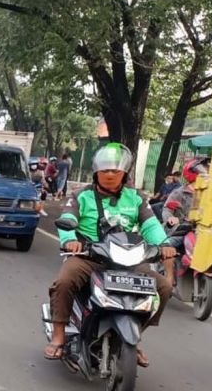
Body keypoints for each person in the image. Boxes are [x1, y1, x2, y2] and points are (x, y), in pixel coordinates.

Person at [44, 143, 176, 367]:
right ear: (96, 172)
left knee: (163, 287)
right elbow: (68, 220)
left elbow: (151, 225)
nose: (109, 175)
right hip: (89, 257)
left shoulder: (136, 198)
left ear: (125, 173)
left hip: (127, 259)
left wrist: (163, 244)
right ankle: (59, 335)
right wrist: (71, 241)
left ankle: (134, 336)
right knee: (65, 281)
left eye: (115, 171)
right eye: (104, 171)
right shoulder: (81, 196)